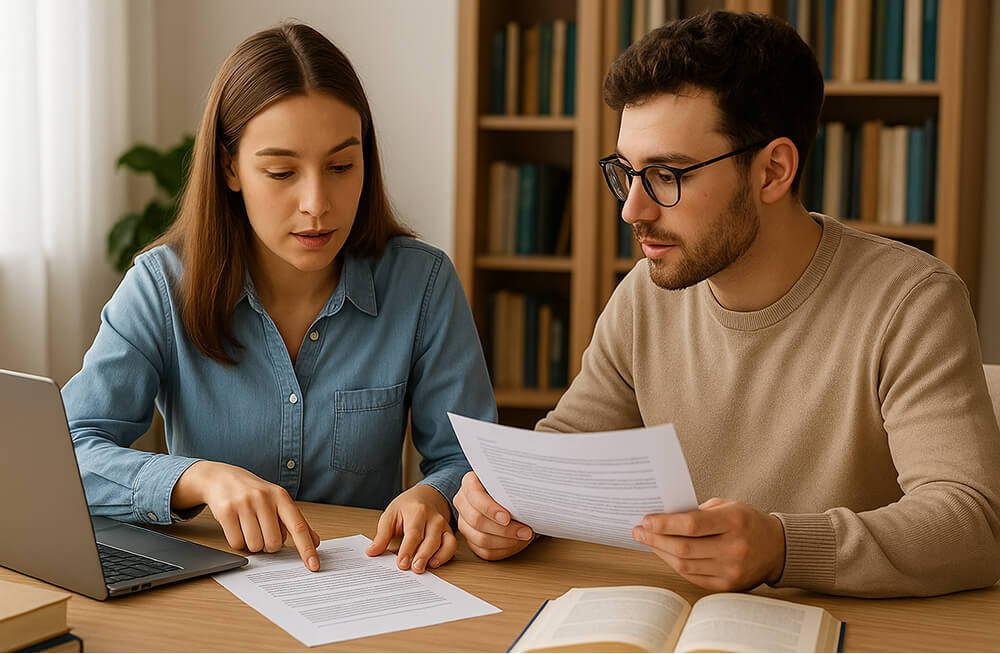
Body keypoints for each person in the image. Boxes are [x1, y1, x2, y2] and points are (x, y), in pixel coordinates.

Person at [454, 10, 1000, 597]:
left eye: (666, 173)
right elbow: (567, 452)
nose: (632, 210)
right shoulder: (645, 294)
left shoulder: (911, 302)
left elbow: (972, 522)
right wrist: (500, 504)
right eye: (627, 173)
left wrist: (783, 548)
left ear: (773, 170)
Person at [63, 22, 495, 575]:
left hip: (371, 591)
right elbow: (70, 453)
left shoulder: (423, 283)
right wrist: (197, 478)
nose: (317, 203)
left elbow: (467, 459)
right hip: (212, 593)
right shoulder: (159, 286)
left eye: (342, 166)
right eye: (281, 171)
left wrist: (433, 496)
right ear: (230, 169)